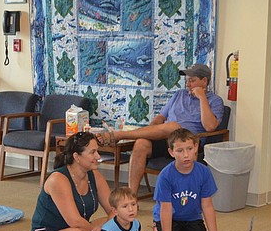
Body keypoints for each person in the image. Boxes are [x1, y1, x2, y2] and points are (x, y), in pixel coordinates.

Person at [96, 64, 225, 193]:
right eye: (186, 81)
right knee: (141, 143)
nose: (188, 85)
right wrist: (148, 133)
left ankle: (119, 135)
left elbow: (210, 126)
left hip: (188, 143)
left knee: (174, 127)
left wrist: (202, 97)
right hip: (166, 140)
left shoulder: (215, 101)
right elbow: (160, 118)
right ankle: (131, 196)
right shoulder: (179, 95)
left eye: (192, 81)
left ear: (204, 81)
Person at [30, 131, 113, 231]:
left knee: (124, 219)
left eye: (97, 151)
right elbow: (74, 221)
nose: (98, 156)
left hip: (83, 229)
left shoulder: (95, 175)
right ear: (76, 157)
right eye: (92, 152)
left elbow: (113, 210)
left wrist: (113, 228)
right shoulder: (58, 179)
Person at [153, 129, 225, 231]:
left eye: (189, 149)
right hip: (171, 217)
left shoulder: (204, 172)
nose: (186, 155)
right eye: (180, 151)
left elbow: (207, 205)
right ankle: (157, 230)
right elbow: (166, 209)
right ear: (171, 152)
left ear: (196, 147)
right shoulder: (165, 176)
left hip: (191, 216)